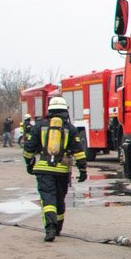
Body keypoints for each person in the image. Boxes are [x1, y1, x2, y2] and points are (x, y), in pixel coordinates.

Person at [22, 97, 87, 242]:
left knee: (48, 198)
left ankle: (50, 228)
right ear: (65, 111)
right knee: (59, 199)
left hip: (44, 170)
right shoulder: (70, 128)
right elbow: (78, 151)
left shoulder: (39, 126)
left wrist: (29, 163)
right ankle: (58, 228)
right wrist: (83, 170)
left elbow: (29, 148)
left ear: (49, 110)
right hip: (62, 171)